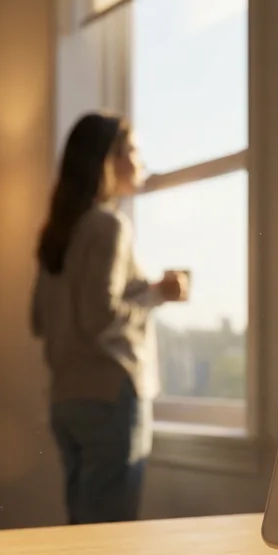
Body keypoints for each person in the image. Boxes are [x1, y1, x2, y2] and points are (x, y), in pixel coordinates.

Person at [30, 112, 189, 524]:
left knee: (81, 533)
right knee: (110, 541)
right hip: (110, 393)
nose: (141, 161)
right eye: (133, 150)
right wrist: (159, 293)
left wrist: (138, 291)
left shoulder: (59, 232)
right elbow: (98, 316)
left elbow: (38, 320)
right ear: (107, 159)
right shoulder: (109, 225)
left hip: (66, 399)